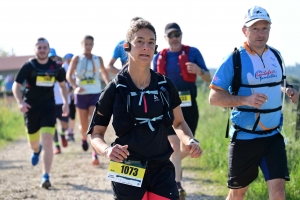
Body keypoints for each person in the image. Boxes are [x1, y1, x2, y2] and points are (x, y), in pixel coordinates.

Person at [87, 19, 202, 200]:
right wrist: (107, 150)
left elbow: (179, 122)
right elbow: (96, 134)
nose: (146, 47)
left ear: (155, 48)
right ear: (127, 46)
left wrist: (190, 140)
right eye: (139, 41)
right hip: (126, 166)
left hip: (162, 167)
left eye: (150, 43)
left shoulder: (165, 85)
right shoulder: (114, 88)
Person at [208, 6, 299, 200]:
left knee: (278, 192)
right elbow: (213, 98)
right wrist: (245, 100)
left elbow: (278, 83)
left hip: (273, 136)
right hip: (244, 138)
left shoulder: (276, 55)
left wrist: (288, 90)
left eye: (264, 28)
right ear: (244, 31)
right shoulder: (234, 59)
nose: (260, 33)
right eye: (255, 28)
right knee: (238, 192)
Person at [153, 22, 211, 199]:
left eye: (177, 34)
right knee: (175, 146)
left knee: (188, 145)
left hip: (189, 106)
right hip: (167, 107)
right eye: (170, 35)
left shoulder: (193, 53)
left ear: (181, 35)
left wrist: (198, 70)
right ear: (165, 38)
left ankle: (169, 165)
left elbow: (209, 77)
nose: (174, 38)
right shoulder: (159, 57)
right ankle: (177, 186)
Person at [12, 38, 69, 188]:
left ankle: (46, 176)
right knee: (34, 144)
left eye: (45, 47)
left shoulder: (56, 67)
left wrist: (66, 102)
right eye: (39, 47)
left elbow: (63, 86)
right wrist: (20, 102)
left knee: (48, 142)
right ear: (35, 50)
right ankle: (36, 151)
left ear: (49, 49)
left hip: (48, 108)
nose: (42, 50)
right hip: (31, 108)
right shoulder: (29, 66)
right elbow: (16, 86)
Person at [66, 35, 109, 165]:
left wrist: (109, 87)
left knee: (93, 123)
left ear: (93, 45)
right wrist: (75, 86)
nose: (88, 47)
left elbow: (104, 73)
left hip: (95, 93)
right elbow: (69, 76)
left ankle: (94, 153)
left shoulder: (98, 59)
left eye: (90, 44)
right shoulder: (77, 59)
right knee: (84, 125)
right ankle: (84, 137)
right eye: (86, 44)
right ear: (82, 45)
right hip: (81, 94)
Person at [48, 49, 69, 154]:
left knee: (65, 124)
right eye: (50, 57)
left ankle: (62, 134)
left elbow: (66, 83)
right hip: (49, 102)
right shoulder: (44, 70)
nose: (52, 59)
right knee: (52, 125)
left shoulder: (60, 69)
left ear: (56, 57)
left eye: (53, 57)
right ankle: (56, 146)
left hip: (62, 101)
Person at [62, 53, 76, 142]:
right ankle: (65, 132)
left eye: (72, 59)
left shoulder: (76, 68)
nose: (70, 61)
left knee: (73, 115)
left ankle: (70, 132)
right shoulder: (63, 68)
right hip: (64, 95)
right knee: (65, 115)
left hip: (73, 95)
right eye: (69, 59)